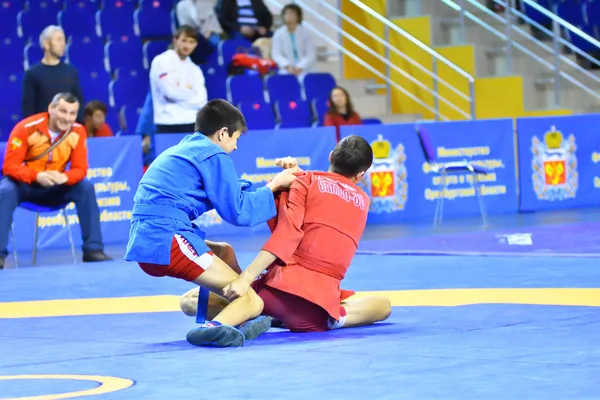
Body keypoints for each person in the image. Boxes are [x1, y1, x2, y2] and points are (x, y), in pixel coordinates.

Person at [124, 99, 297, 347]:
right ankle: (217, 324)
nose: (235, 148)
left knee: (224, 252)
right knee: (252, 300)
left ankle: (228, 309)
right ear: (223, 133)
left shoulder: (186, 149)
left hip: (148, 239)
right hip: (167, 238)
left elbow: (233, 191)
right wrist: (274, 187)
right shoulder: (213, 154)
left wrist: (271, 185)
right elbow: (238, 212)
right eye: (236, 139)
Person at [179, 136, 392, 333]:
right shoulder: (363, 201)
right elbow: (330, 195)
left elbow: (285, 233)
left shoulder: (305, 181)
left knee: (189, 301)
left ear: (330, 156)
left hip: (275, 294)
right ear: (361, 175)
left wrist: (246, 278)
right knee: (384, 305)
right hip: (316, 313)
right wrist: (300, 175)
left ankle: (255, 315)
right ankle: (335, 319)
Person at [0, 93, 112, 270]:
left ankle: (93, 250)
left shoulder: (77, 131)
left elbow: (80, 169)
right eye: (62, 111)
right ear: (51, 109)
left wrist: (64, 177)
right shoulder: (26, 128)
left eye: (72, 113)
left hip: (56, 187)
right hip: (26, 186)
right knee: (4, 190)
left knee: (86, 188)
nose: (67, 118)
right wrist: (36, 176)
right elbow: (9, 167)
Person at [150, 25, 207, 134]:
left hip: (191, 122)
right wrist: (191, 94)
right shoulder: (161, 61)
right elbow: (170, 93)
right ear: (175, 40)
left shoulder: (195, 69)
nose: (187, 46)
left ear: (195, 45)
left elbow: (202, 100)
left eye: (191, 42)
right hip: (167, 122)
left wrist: (181, 95)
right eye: (184, 41)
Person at [22, 26, 84, 123]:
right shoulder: (32, 73)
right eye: (59, 40)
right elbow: (28, 108)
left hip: (68, 130)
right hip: (42, 131)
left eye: (64, 40)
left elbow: (78, 101)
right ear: (46, 44)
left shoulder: (71, 71)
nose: (63, 44)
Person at [271, 4, 316, 76]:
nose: (288, 16)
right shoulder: (279, 34)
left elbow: (310, 54)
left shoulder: (306, 33)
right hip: (287, 69)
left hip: (304, 69)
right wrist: (288, 66)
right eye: (286, 13)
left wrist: (300, 67)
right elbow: (277, 54)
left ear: (298, 16)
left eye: (291, 13)